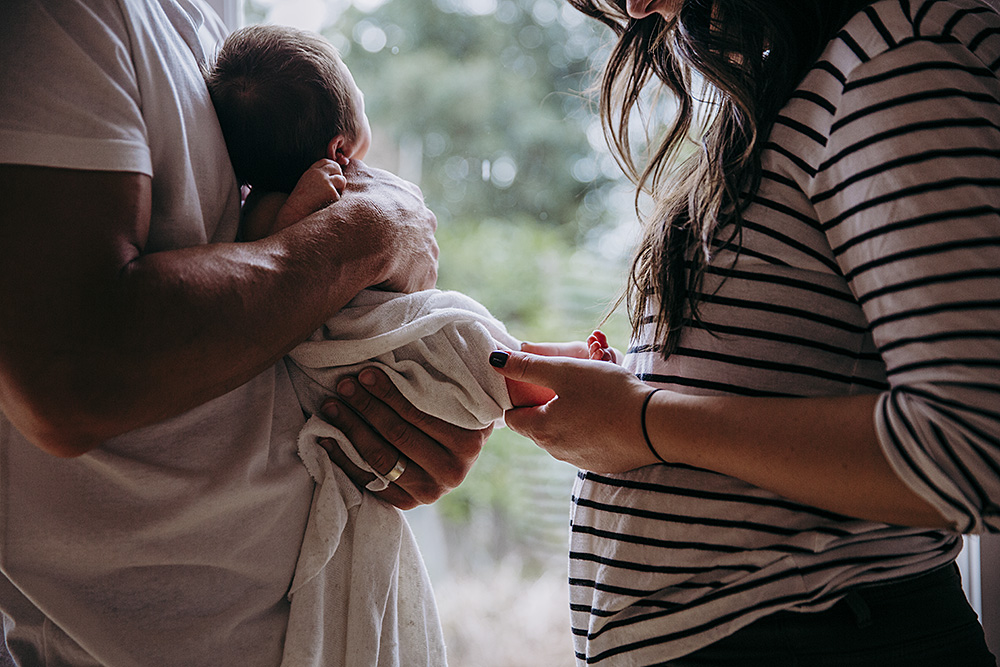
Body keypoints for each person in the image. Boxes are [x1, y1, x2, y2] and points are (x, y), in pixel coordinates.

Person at [489, 0, 1000, 664]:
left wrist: (643, 421)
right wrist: (628, 394)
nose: (637, 9)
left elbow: (978, 444)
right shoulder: (803, 83)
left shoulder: (894, 62)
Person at [0, 2, 490, 665]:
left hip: (305, 614)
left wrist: (415, 432)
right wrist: (371, 234)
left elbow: (272, 306)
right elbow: (69, 369)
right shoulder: (64, 18)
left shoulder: (223, 26)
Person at [200, 24, 555, 665]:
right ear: (338, 145)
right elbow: (283, 256)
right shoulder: (305, 198)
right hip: (343, 344)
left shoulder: (248, 205)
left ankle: (530, 369)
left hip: (350, 343)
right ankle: (540, 376)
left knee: (453, 329)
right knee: (460, 329)